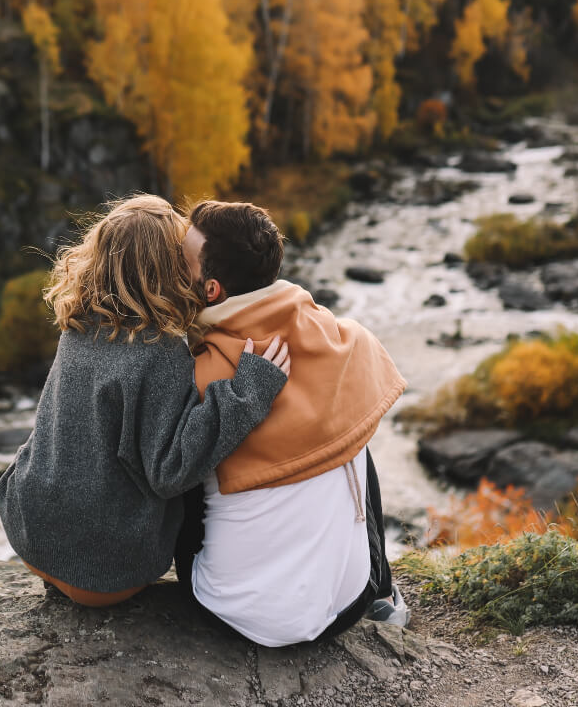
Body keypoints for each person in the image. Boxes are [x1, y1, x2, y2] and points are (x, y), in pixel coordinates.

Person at [0, 194, 292, 607]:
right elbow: (171, 471)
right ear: (167, 268)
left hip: (29, 533)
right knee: (196, 483)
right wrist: (247, 392)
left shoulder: (79, 322)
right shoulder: (159, 349)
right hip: (102, 575)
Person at [174, 199, 408, 646]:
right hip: (347, 606)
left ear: (211, 290)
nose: (171, 269)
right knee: (351, 427)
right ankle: (382, 590)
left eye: (180, 262)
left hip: (234, 613)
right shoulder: (347, 342)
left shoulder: (196, 375)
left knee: (186, 457)